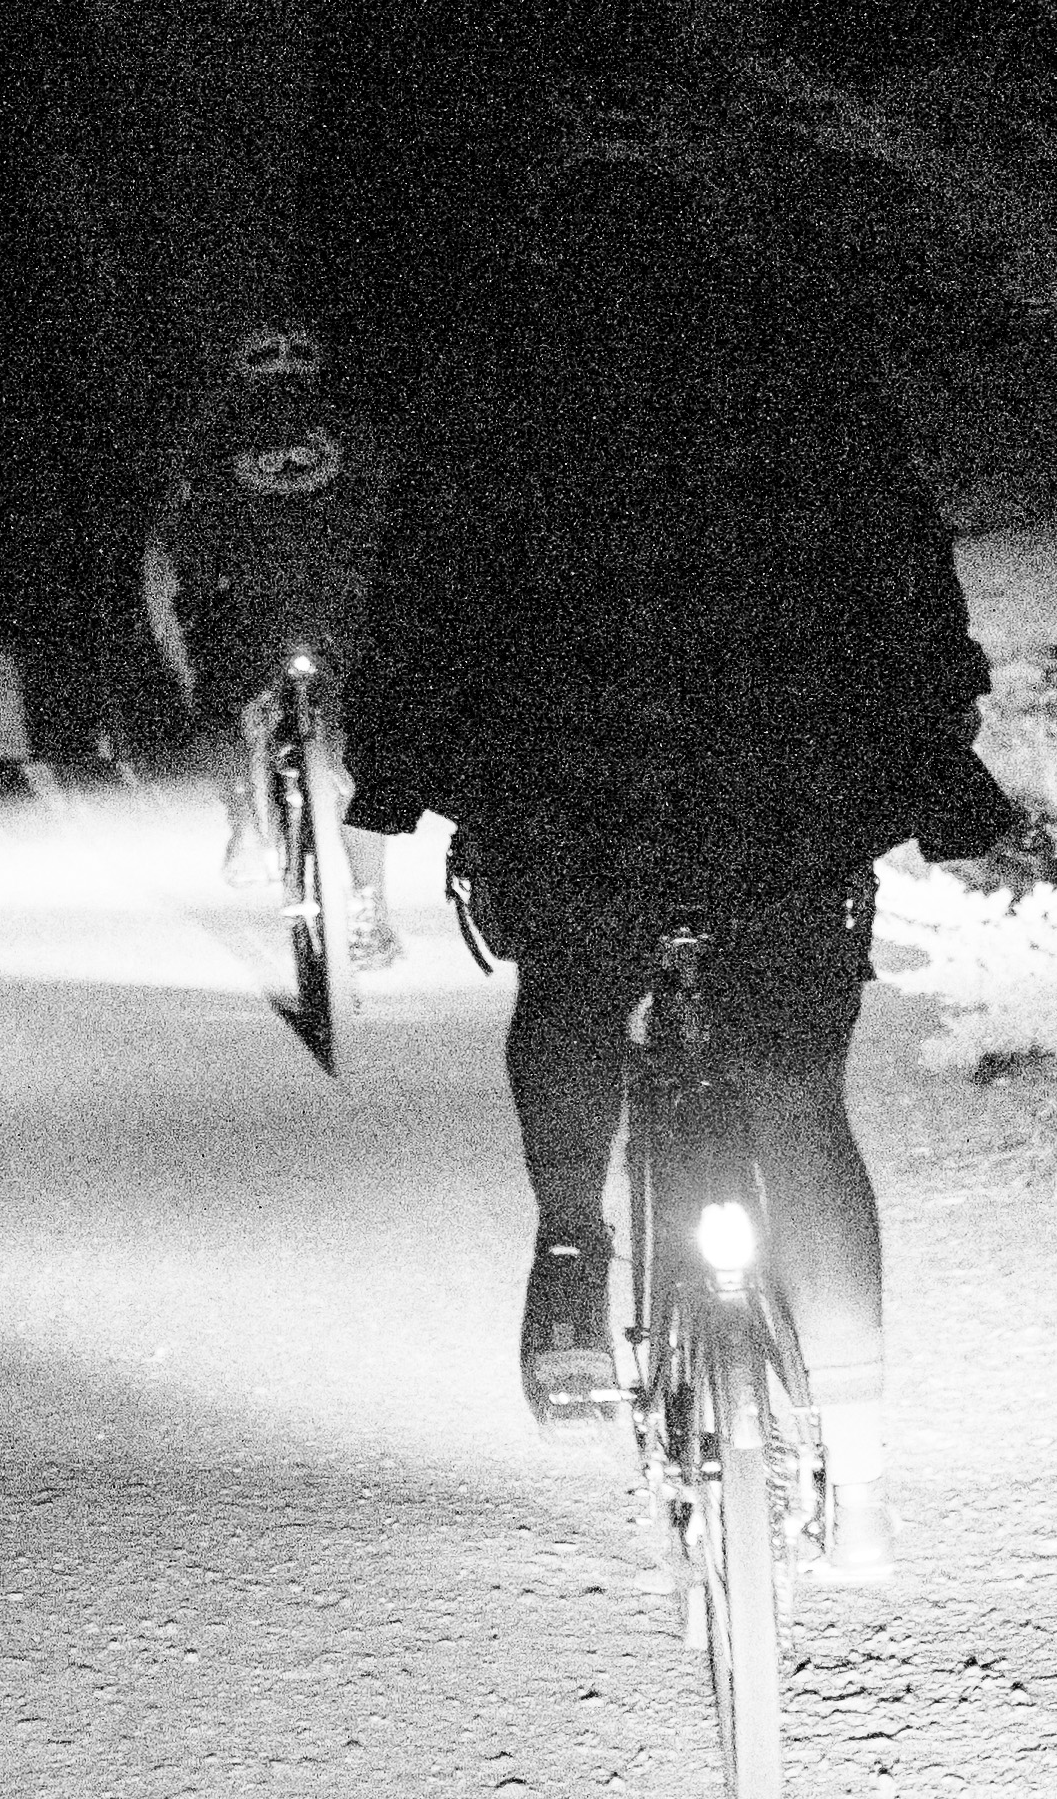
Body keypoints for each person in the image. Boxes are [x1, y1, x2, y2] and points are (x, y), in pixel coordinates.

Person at [348, 141, 1009, 1582]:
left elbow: (424, 593)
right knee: (797, 1100)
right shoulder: (802, 360)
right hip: (788, 798)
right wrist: (933, 750)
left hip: (574, 797)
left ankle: (574, 1252)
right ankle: (870, 1483)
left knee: (573, 999)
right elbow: (903, 567)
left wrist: (397, 774)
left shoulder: (503, 377)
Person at [140, 318, 396, 956]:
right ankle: (345, 888)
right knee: (238, 699)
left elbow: (392, 515)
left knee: (344, 735)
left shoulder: (349, 437)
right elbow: (174, 538)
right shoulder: (212, 444)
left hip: (310, 607)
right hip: (284, 608)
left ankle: (344, 885)